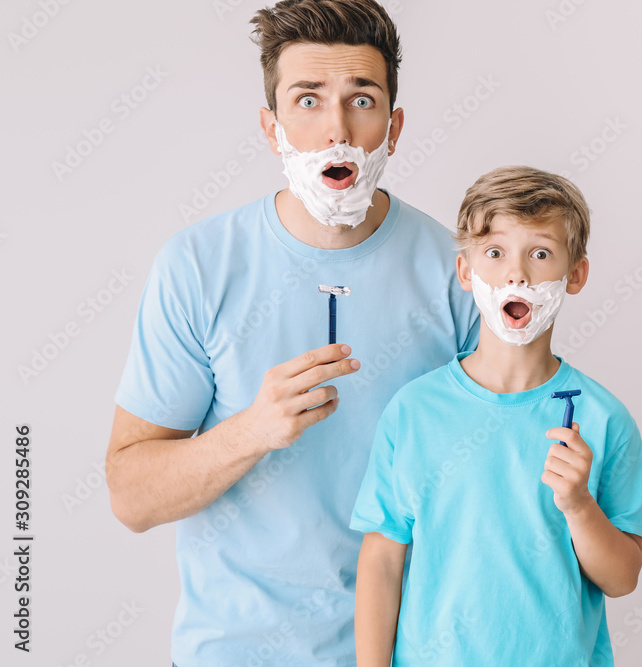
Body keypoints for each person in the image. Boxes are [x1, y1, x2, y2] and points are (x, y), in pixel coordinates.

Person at [105, 1, 479, 664]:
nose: (336, 129)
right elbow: (131, 496)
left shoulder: (463, 274)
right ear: (270, 127)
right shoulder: (198, 266)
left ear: (392, 127)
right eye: (307, 101)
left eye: (361, 100)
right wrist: (251, 430)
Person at [352, 166, 642, 666]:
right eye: (494, 253)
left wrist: (578, 505)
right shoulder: (414, 411)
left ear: (575, 274)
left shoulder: (603, 418)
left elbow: (622, 580)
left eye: (540, 253)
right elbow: (382, 560)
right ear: (466, 271)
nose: (517, 274)